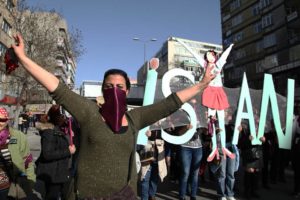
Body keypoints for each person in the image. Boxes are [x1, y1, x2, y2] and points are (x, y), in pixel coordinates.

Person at [11, 34, 215, 199]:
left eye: (119, 87)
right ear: (102, 90)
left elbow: (170, 104)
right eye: (109, 87)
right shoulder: (89, 112)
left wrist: (202, 84)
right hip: (83, 195)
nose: (114, 91)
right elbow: (57, 88)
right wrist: (23, 58)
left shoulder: (136, 118)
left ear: (127, 91)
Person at [35, 105, 76, 200]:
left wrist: (69, 137)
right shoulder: (49, 132)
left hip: (61, 170)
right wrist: (68, 151)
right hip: (53, 173)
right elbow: (47, 154)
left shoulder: (60, 130)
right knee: (52, 196)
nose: (65, 119)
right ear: (57, 118)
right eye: (63, 116)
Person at [0, 107, 36, 199]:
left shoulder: (18, 136)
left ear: (7, 120)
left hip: (11, 187)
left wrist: (30, 182)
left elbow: (28, 161)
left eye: (2, 119)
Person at [139, 121, 167, 200]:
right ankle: (144, 198)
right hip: (147, 155)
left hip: (158, 157)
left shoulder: (164, 125)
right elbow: (139, 136)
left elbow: (168, 137)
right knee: (145, 178)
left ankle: (152, 196)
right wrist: (147, 135)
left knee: (154, 179)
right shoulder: (146, 122)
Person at [178, 125, 203, 200]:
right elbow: (178, 133)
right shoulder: (183, 116)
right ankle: (182, 196)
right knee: (185, 172)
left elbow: (206, 132)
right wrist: (186, 127)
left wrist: (207, 126)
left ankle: (193, 195)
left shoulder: (200, 116)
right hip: (185, 147)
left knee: (195, 173)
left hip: (198, 148)